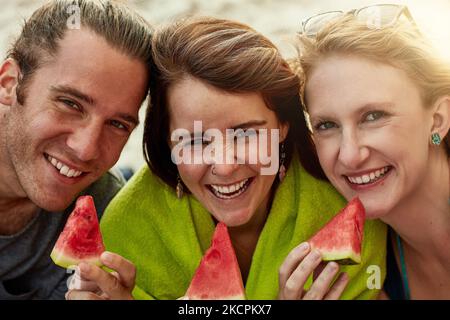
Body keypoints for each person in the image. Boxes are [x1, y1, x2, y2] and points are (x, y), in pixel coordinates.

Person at [65, 16, 386, 300]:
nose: (225, 165)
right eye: (194, 141)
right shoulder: (128, 228)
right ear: (167, 143)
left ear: (284, 124)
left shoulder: (343, 200)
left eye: (246, 134)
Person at [0, 0, 152, 300]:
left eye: (118, 124)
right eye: (70, 104)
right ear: (9, 84)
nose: (85, 149)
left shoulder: (106, 208)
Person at [295, 4, 450, 299]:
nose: (350, 155)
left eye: (374, 116)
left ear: (438, 119)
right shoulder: (371, 272)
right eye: (327, 125)